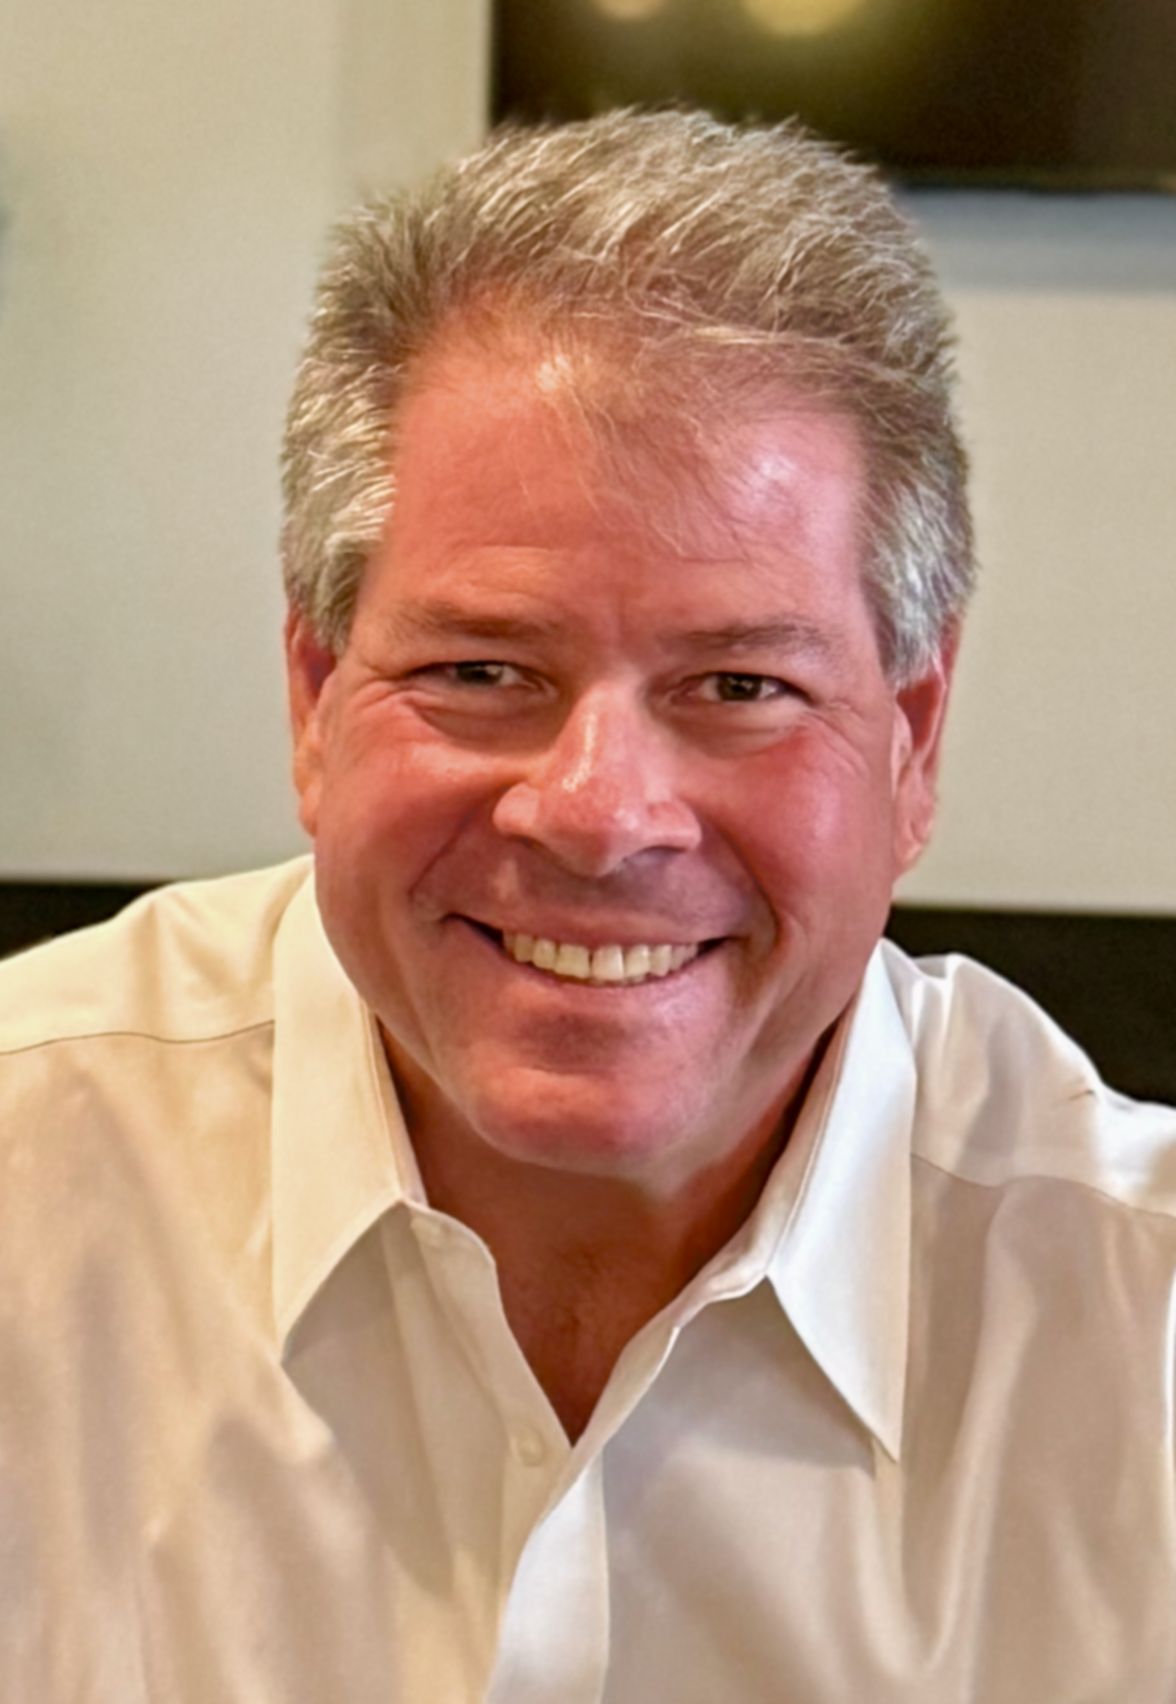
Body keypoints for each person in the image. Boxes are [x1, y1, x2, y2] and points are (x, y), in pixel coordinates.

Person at [1, 109, 1174, 1703]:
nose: (601, 813)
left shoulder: (1135, 1335)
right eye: (482, 671)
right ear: (313, 695)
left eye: (741, 684)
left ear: (911, 738)